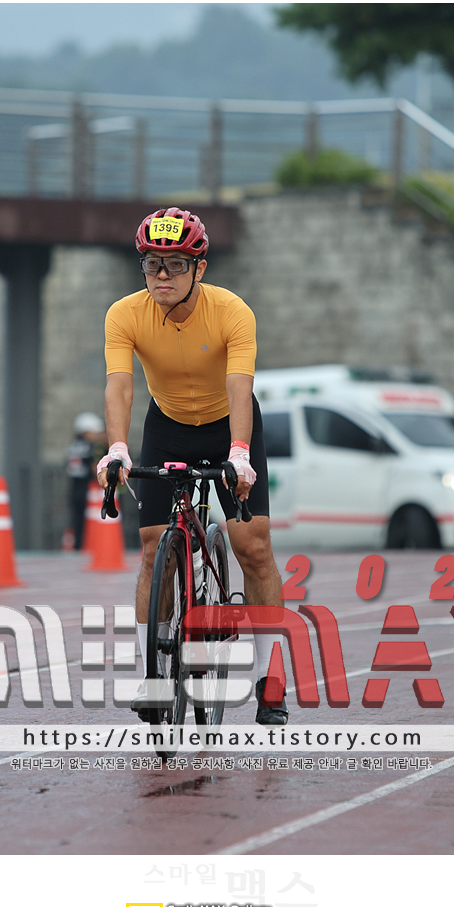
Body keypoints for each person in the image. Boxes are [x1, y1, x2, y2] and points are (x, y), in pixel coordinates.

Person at [96, 207, 285, 724]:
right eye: (151, 264)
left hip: (229, 424)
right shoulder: (124, 314)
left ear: (199, 268)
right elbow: (120, 385)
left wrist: (239, 454)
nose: (161, 276)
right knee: (153, 547)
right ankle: (153, 675)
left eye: (175, 264)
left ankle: (270, 677)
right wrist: (117, 449)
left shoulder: (231, 311)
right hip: (169, 423)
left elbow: (239, 386)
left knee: (253, 545)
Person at [65, 412, 105, 549]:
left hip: (75, 487)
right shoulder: (90, 447)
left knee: (77, 520)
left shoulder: (73, 446)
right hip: (88, 488)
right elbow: (94, 466)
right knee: (90, 519)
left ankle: (78, 545)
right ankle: (89, 545)